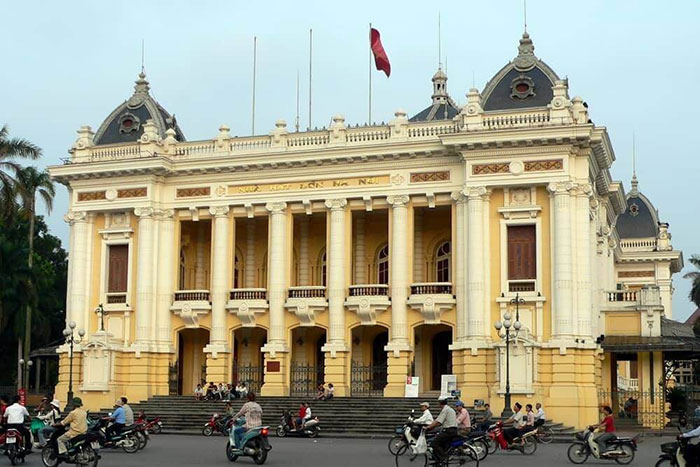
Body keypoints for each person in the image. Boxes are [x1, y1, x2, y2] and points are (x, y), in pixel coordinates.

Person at [425, 398, 459, 462]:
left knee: (433, 443)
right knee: (441, 444)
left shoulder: (445, 410)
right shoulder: (450, 409)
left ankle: (444, 458)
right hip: (453, 430)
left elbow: (438, 422)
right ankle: (438, 460)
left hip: (448, 431)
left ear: (440, 403)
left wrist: (428, 427)